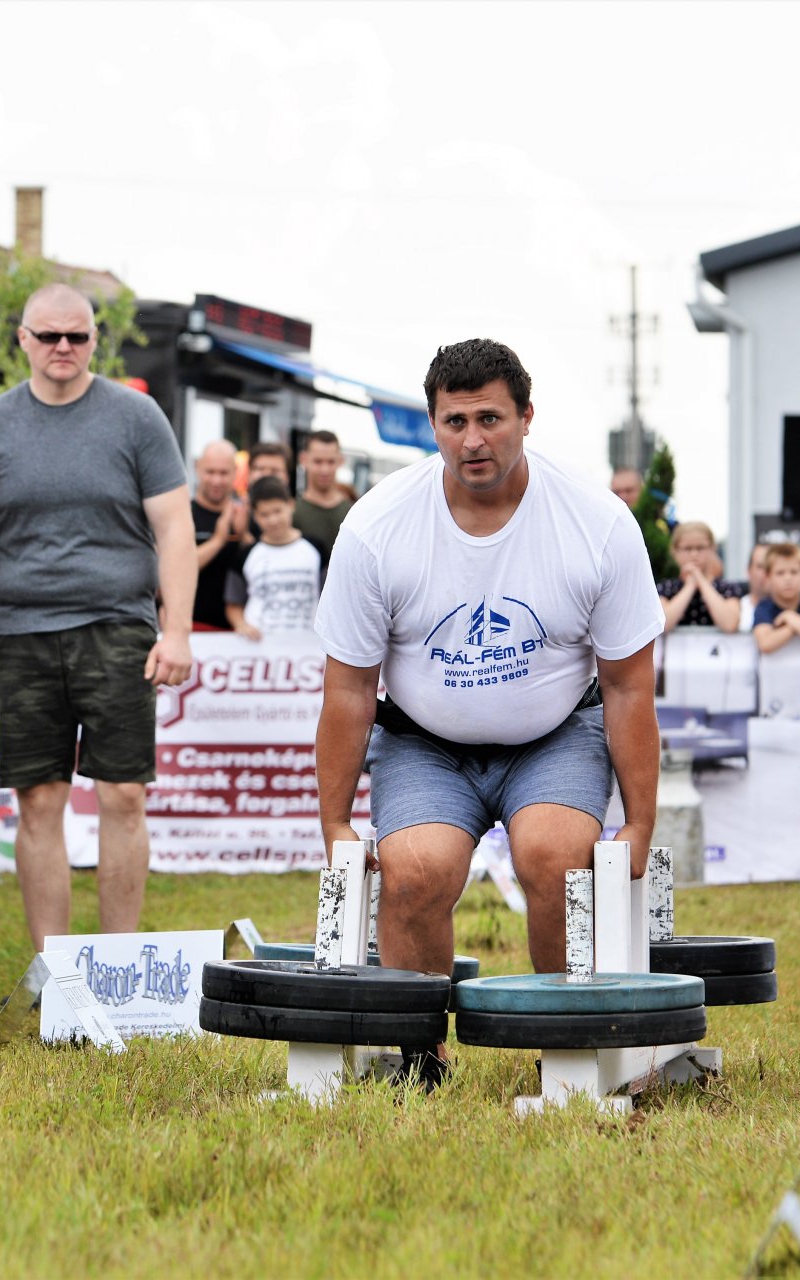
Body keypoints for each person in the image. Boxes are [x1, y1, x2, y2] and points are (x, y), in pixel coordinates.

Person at [313, 338, 663, 1088]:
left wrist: (638, 824)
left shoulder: (598, 523)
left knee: (555, 858)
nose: (473, 440)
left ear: (527, 417)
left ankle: (565, 1052)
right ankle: (418, 1058)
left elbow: (630, 687)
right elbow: (347, 689)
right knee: (413, 873)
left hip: (557, 737)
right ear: (433, 425)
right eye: (455, 421)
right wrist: (336, 821)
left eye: (491, 419)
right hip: (424, 744)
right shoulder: (375, 528)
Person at [0, 282, 194, 952]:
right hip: (20, 633)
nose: (62, 348)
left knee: (123, 797)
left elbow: (174, 532)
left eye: (76, 336)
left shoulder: (138, 419)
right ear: (22, 338)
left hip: (119, 628)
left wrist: (178, 632)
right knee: (40, 801)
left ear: (93, 341)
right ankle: (58, 974)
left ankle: (116, 963)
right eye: (48, 335)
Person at [225, 476, 322, 639]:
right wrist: (242, 625)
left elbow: (332, 597)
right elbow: (233, 603)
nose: (273, 520)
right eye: (264, 514)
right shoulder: (246, 555)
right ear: (254, 516)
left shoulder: (316, 549)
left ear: (290, 505)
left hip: (308, 646)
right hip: (260, 649)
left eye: (277, 511)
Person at [189, 440, 248, 631]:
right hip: (194, 627)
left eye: (223, 473)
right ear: (198, 468)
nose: (217, 480)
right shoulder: (182, 515)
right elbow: (174, 568)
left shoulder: (248, 515)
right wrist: (218, 540)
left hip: (243, 633)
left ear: (235, 472)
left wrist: (244, 535)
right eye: (210, 472)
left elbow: (264, 564)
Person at [658, 520, 744, 633]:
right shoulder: (666, 588)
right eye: (687, 549)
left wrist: (701, 580)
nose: (694, 554)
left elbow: (730, 624)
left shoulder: (727, 588)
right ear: (675, 551)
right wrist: (690, 586)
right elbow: (661, 624)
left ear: (713, 549)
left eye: (700, 548)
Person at [752, 543, 800, 654]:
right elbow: (765, 643)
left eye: (794, 572)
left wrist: (789, 617)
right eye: (780, 573)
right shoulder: (764, 607)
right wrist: (793, 626)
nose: (788, 578)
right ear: (768, 577)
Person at [294, 430, 354, 562]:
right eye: (318, 462)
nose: (325, 470)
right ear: (303, 459)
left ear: (340, 461)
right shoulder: (293, 512)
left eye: (331, 462)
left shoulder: (353, 512)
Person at [743, 542, 772, 613]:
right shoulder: (736, 611)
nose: (766, 572)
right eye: (760, 566)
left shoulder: (793, 611)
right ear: (749, 570)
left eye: (770, 567)